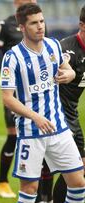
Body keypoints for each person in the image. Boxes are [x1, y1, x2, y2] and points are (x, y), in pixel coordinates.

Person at [0, 3, 85, 203]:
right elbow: (7, 98)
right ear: (22, 27)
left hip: (59, 128)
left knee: (78, 183)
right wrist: (35, 116)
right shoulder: (13, 57)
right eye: (33, 23)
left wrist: (69, 74)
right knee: (30, 189)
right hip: (31, 131)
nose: (40, 26)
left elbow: (68, 69)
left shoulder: (53, 45)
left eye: (42, 21)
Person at [0, 0, 54, 200]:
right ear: (16, 2)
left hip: (38, 93)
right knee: (14, 136)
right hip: (15, 93)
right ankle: (3, 181)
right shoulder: (4, 25)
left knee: (44, 137)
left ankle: (43, 193)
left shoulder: (39, 24)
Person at [53, 5, 85, 203]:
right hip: (57, 115)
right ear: (82, 25)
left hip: (71, 113)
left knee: (78, 169)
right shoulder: (66, 50)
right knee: (75, 170)